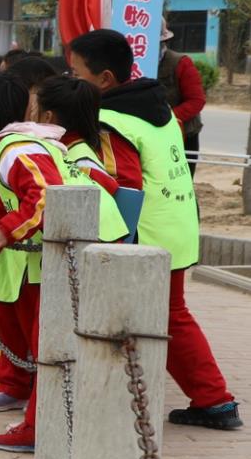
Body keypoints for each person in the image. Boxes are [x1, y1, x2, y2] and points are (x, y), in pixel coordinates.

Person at [68, 29, 240, 430]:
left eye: (76, 73)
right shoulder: (154, 103)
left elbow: (126, 186)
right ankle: (212, 398)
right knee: (169, 315)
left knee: (163, 317)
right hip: (177, 224)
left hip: (146, 232)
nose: (71, 80)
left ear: (105, 79)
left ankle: (214, 399)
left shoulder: (110, 120)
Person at [156, 21, 207, 176]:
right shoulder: (131, 63)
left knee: (182, 187)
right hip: (148, 137)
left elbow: (196, 101)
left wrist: (167, 117)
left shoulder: (180, 63)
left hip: (183, 135)